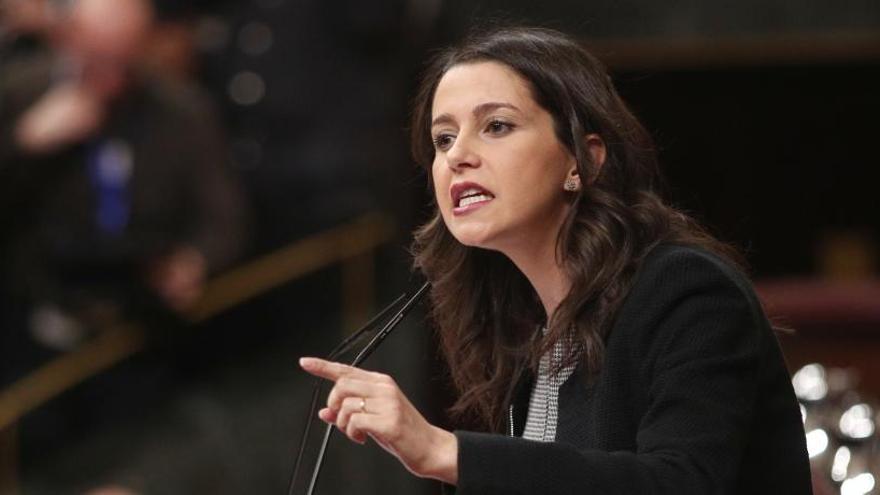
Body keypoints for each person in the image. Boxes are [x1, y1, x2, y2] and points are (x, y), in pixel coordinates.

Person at [300, 26, 812, 494]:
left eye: (496, 126)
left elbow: (682, 483)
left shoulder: (686, 291)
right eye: (443, 138)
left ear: (584, 158)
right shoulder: (533, 333)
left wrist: (445, 452)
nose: (458, 156)